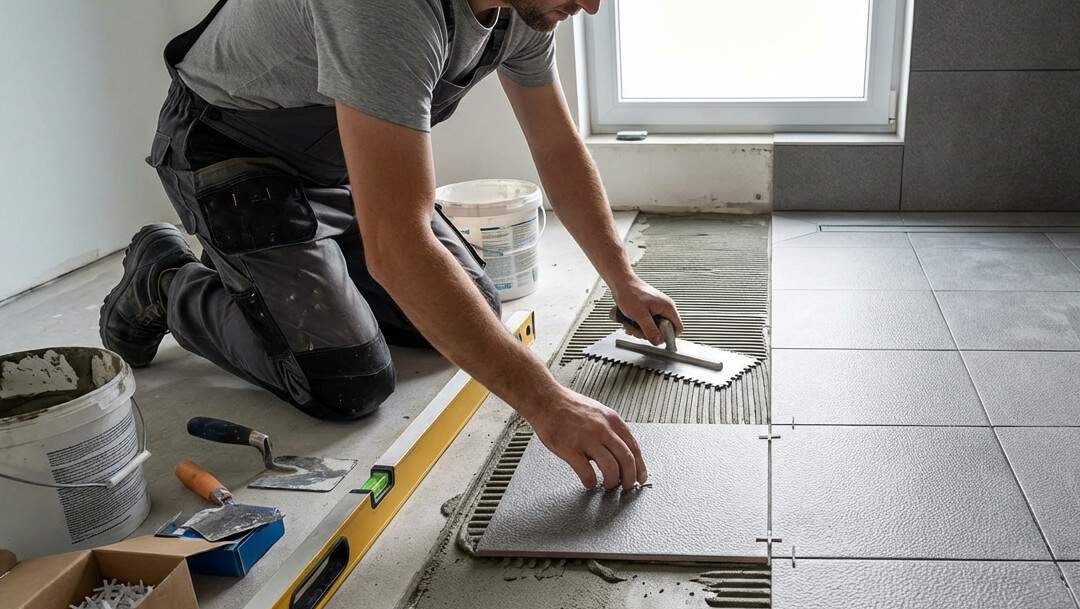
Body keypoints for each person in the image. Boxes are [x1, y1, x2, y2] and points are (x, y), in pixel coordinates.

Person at [99, 0, 680, 491]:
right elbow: (399, 248)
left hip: (334, 162)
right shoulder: (388, 10)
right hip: (229, 153)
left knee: (468, 305)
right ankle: (168, 276)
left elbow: (555, 144)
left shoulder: (524, 11)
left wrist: (622, 278)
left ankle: (283, 269)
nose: (592, 5)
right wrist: (548, 403)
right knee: (348, 380)